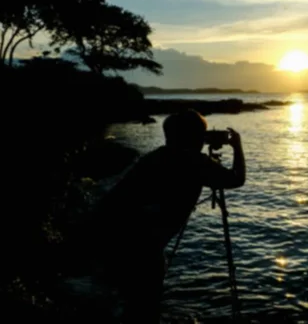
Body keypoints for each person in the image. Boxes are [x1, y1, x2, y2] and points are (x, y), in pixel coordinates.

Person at [95, 109, 246, 323]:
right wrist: (237, 145)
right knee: (146, 307)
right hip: (142, 246)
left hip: (116, 238)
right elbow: (236, 179)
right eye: (201, 134)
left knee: (133, 303)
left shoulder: (155, 157)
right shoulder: (193, 161)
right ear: (194, 136)